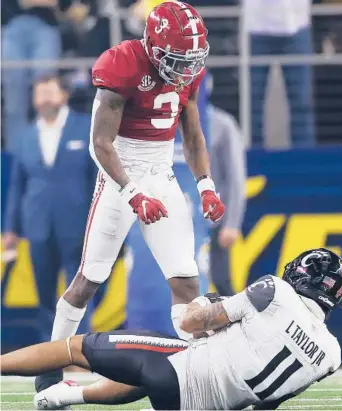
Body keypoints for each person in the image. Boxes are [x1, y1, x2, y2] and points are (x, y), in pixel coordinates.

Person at [34, 0, 225, 393]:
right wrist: (134, 194)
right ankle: (49, 366)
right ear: (153, 46)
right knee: (89, 279)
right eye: (177, 58)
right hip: (119, 174)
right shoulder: (122, 64)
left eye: (193, 58)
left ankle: (194, 373)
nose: (187, 67)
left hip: (162, 173)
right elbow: (100, 145)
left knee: (186, 281)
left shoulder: (185, 70)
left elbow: (192, 136)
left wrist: (205, 185)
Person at [1, 248, 342, 410]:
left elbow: (189, 323)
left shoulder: (277, 291)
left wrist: (203, 303)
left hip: (179, 373)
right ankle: (65, 396)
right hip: (201, 404)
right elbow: (268, 403)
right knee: (149, 369)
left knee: (75, 348)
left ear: (300, 276)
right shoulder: (331, 355)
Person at [3, 74, 95, 341]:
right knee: (44, 293)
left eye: (49, 91)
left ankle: (81, 347)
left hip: (77, 224)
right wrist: (11, 228)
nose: (44, 97)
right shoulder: (25, 137)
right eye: (39, 93)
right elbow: (17, 187)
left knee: (79, 290)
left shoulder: (84, 127)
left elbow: (96, 179)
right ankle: (50, 353)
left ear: (63, 95)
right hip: (37, 225)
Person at [244, 0, 315, 146]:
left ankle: (305, 161)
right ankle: (252, 161)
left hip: (297, 22)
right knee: (251, 102)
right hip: (255, 25)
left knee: (301, 101)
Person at [2, 0, 63, 153]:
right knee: (14, 97)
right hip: (12, 25)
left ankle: (47, 153)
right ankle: (16, 158)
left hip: (46, 25)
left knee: (47, 93)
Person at [208, 74, 247, 296]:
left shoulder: (222, 124)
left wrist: (232, 223)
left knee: (221, 280)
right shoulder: (170, 121)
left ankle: (236, 330)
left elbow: (235, 178)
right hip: (181, 219)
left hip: (214, 220)